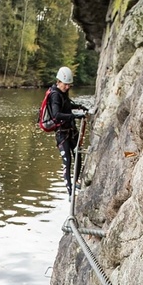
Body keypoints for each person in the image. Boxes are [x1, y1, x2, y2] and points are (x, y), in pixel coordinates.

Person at [46, 66, 85, 195]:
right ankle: (70, 192)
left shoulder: (63, 93)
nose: (68, 87)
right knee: (67, 161)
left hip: (71, 130)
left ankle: (76, 181)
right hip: (62, 133)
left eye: (70, 85)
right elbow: (56, 115)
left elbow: (67, 106)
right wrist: (74, 116)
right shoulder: (55, 95)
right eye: (66, 85)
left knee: (78, 154)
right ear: (59, 82)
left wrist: (79, 107)